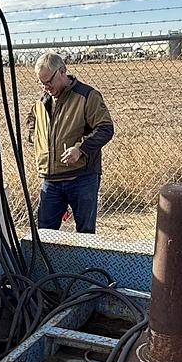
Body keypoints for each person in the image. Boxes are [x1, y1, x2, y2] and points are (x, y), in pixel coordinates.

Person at [27, 52, 114, 234]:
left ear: (62, 71)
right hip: (51, 179)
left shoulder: (87, 96)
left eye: (49, 81)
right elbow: (32, 122)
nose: (45, 87)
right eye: (41, 83)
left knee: (85, 234)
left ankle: (84, 256)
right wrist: (35, 138)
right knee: (45, 234)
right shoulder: (42, 102)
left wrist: (81, 149)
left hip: (82, 177)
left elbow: (105, 129)